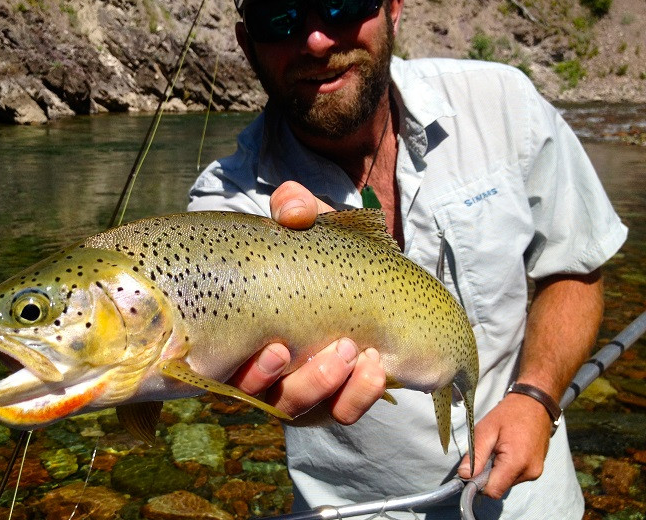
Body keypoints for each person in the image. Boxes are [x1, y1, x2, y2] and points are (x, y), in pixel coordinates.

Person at [187, 0, 628, 517]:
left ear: (393, 9)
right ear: (247, 42)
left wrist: (537, 396)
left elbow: (574, 264)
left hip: (534, 500)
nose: (316, 40)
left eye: (341, 4)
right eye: (278, 15)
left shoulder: (502, 103)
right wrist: (278, 400)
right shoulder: (222, 217)